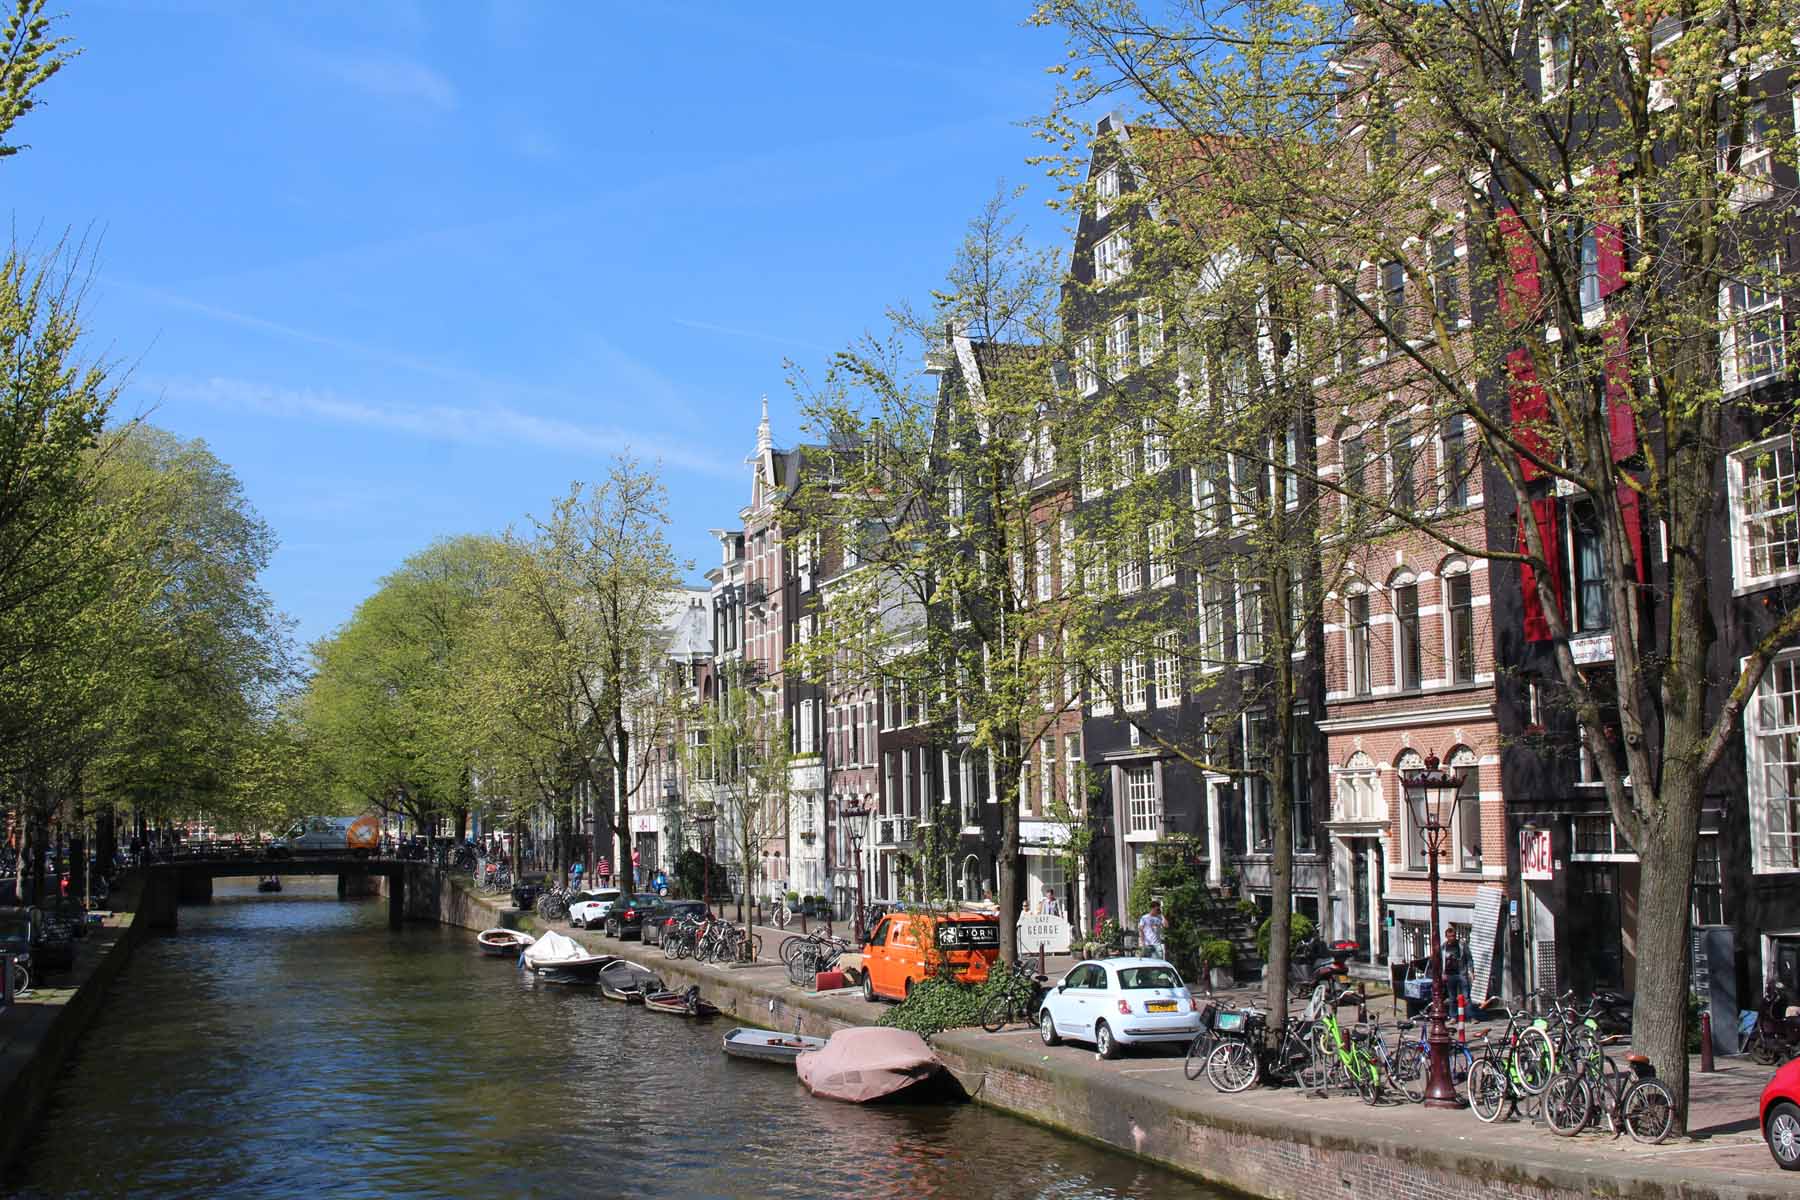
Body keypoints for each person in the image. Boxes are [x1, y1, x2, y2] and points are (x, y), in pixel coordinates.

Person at [1441, 926, 1470, 1013]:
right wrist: (1443, 973)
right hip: (1450, 974)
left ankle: (1470, 1015)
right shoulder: (1443, 947)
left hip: (1461, 972)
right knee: (1452, 997)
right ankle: (1453, 1016)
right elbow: (1440, 961)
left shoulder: (1461, 945)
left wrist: (1470, 971)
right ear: (1446, 937)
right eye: (1450, 936)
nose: (1452, 938)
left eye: (1453, 936)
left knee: (1466, 996)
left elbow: (1469, 958)